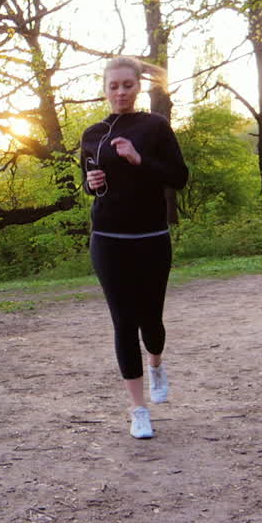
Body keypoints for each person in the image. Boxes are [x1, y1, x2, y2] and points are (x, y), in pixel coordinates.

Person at [80, 56, 189, 439]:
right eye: (113, 86)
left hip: (151, 238)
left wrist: (139, 160)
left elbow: (179, 177)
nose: (120, 92)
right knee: (123, 323)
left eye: (127, 85)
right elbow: (89, 181)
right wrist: (91, 183)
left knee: (151, 322)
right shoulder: (92, 133)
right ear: (105, 89)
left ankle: (156, 363)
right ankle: (138, 409)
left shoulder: (155, 127)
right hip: (108, 239)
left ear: (138, 86)